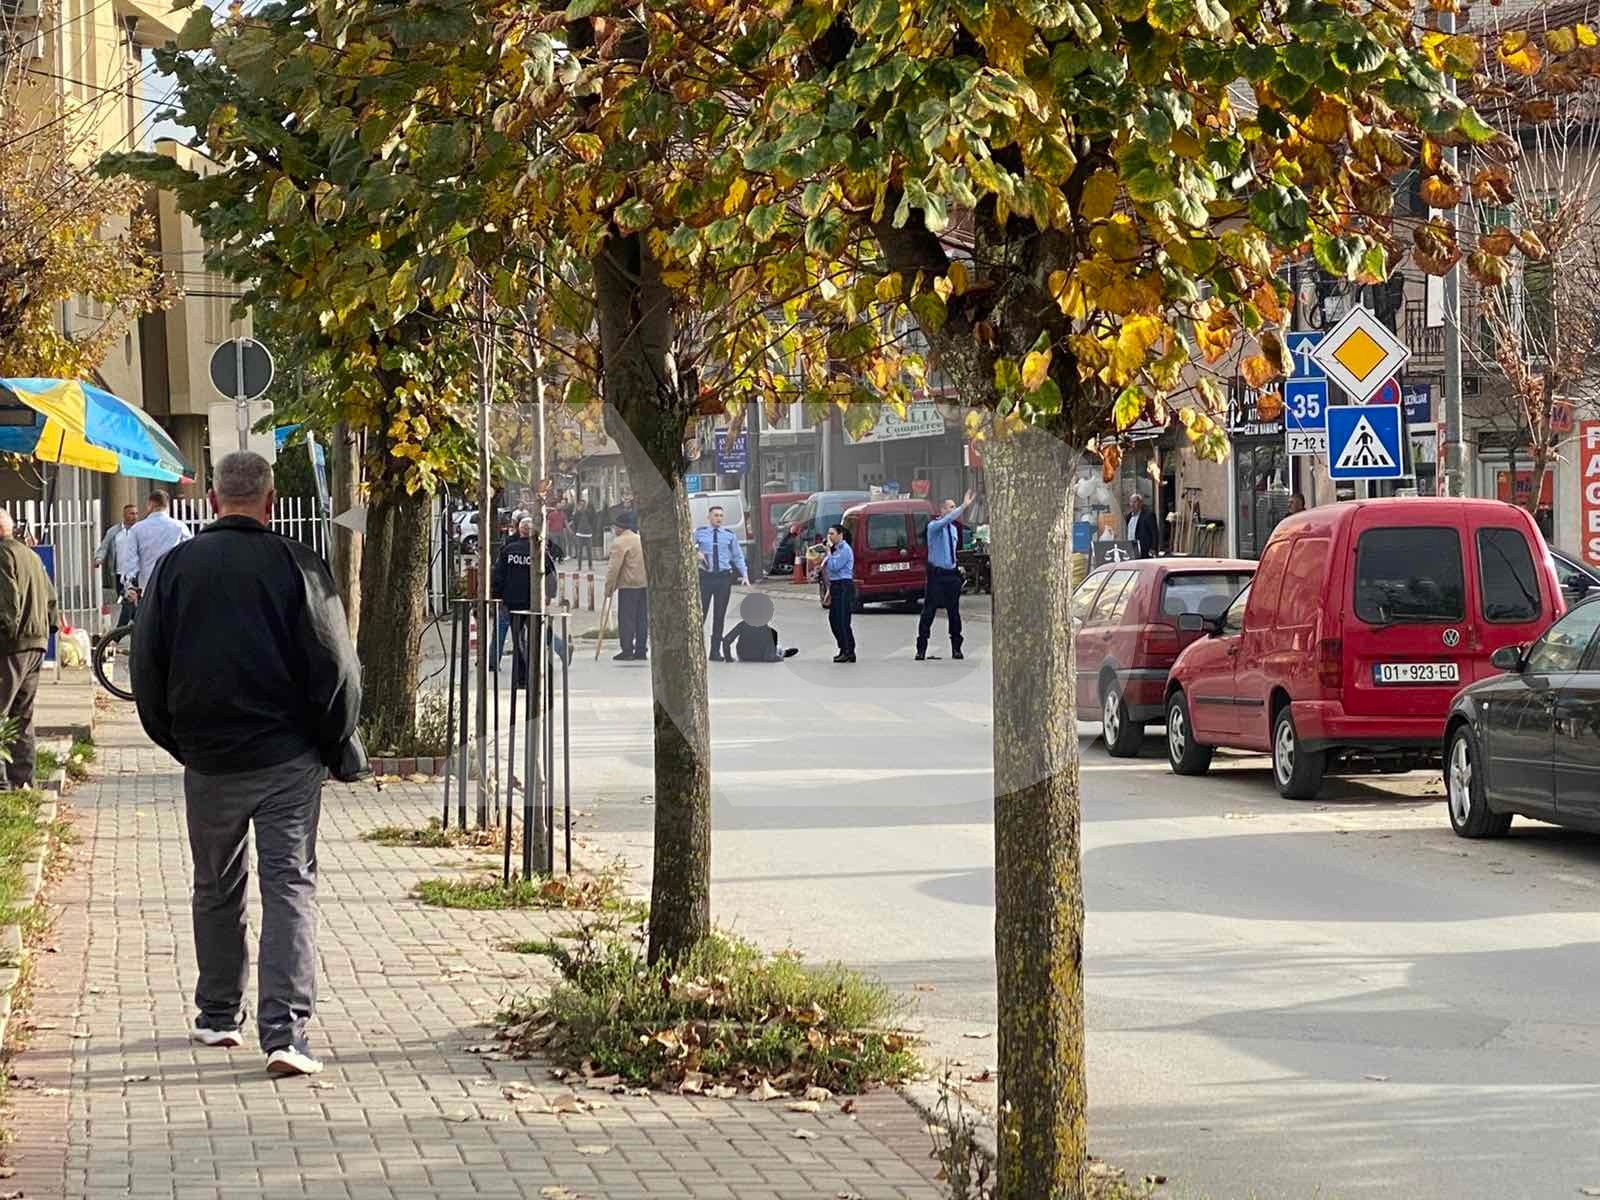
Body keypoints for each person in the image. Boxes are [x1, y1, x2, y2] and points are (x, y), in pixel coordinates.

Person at [131, 452, 363, 1078]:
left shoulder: (175, 567)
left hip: (208, 755)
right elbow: (336, 665)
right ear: (270, 501)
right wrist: (333, 739)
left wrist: (177, 740)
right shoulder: (297, 565)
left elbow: (145, 666)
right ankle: (284, 1033)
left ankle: (216, 1014)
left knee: (215, 884)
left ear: (212, 502)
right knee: (288, 885)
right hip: (286, 756)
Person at [0, 510, 57, 789]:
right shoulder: (31, 555)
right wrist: (49, 631)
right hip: (36, 642)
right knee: (22, 715)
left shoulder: (3, 555)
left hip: (12, 645)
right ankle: (23, 780)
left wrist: (6, 633)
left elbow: (7, 603)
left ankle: (3, 781)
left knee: (3, 711)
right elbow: (51, 598)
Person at [492, 517, 568, 685]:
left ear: (519, 531)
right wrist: (550, 594)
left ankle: (521, 677)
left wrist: (497, 596)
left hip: (513, 602)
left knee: (518, 637)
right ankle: (540, 670)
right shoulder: (539, 551)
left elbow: (498, 575)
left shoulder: (508, 550)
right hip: (534, 600)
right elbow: (551, 576)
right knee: (537, 634)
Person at [917, 489, 974, 661]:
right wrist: (964, 506)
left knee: (954, 613)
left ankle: (956, 648)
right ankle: (921, 648)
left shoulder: (954, 530)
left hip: (951, 575)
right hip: (937, 575)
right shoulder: (934, 526)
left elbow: (952, 551)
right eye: (950, 507)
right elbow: (948, 519)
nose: (953, 510)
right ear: (942, 510)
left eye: (954, 507)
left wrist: (958, 568)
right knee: (929, 612)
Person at [695, 505, 749, 661]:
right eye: (715, 515)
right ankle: (697, 650)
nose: (718, 518)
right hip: (706, 577)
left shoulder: (729, 536)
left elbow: (737, 556)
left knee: (719, 615)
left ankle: (715, 651)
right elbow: (687, 546)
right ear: (709, 517)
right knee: (701, 614)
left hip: (723, 578)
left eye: (720, 516)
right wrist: (695, 552)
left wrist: (744, 574)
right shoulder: (700, 533)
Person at [124, 488, 192, 597]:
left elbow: (130, 560)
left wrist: (130, 585)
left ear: (150, 505)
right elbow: (189, 556)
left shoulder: (136, 529)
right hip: (174, 585)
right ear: (167, 506)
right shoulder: (179, 527)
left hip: (147, 586)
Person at [604, 513, 648, 661]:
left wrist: (609, 587)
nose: (614, 529)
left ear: (620, 527)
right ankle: (641, 649)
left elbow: (614, 568)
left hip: (629, 585)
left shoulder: (620, 542)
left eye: (615, 526)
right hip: (644, 584)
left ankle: (627, 649)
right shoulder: (640, 539)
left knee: (627, 619)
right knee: (642, 618)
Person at [720, 591, 799, 662]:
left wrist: (728, 658)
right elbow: (769, 657)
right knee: (775, 643)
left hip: (743, 656)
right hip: (760, 656)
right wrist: (779, 659)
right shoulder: (769, 630)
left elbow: (726, 641)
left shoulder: (742, 624)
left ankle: (780, 651)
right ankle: (782, 652)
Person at [94, 504, 139, 625]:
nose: (135, 516)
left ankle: (117, 636)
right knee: (130, 603)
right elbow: (104, 546)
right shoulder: (114, 531)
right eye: (132, 513)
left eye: (136, 513)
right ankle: (141, 626)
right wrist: (99, 558)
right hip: (120, 573)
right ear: (124, 515)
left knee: (128, 601)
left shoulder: (140, 530)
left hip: (136, 573)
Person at [821, 521, 856, 663]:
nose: (829, 536)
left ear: (840, 535)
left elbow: (835, 566)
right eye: (828, 534)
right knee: (833, 619)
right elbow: (828, 569)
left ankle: (849, 651)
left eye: (832, 534)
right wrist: (829, 590)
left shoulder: (845, 549)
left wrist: (828, 552)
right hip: (835, 585)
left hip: (844, 585)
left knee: (843, 620)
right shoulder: (835, 549)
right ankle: (842, 648)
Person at [1126, 493, 1158, 559]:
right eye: (1131, 502)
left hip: (1145, 551)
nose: (1132, 504)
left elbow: (1154, 533)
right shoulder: (1129, 517)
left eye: (1135, 502)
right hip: (1131, 550)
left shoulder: (1148, 515)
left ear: (1140, 503)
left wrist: (1153, 548)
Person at [572, 498, 597, 570]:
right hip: (580, 534)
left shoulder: (588, 512)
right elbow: (575, 522)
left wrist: (592, 529)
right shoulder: (577, 513)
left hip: (588, 533)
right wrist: (575, 532)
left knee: (589, 551)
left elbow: (593, 519)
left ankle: (590, 566)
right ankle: (579, 567)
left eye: (583, 504)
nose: (582, 506)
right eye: (581, 504)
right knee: (580, 551)